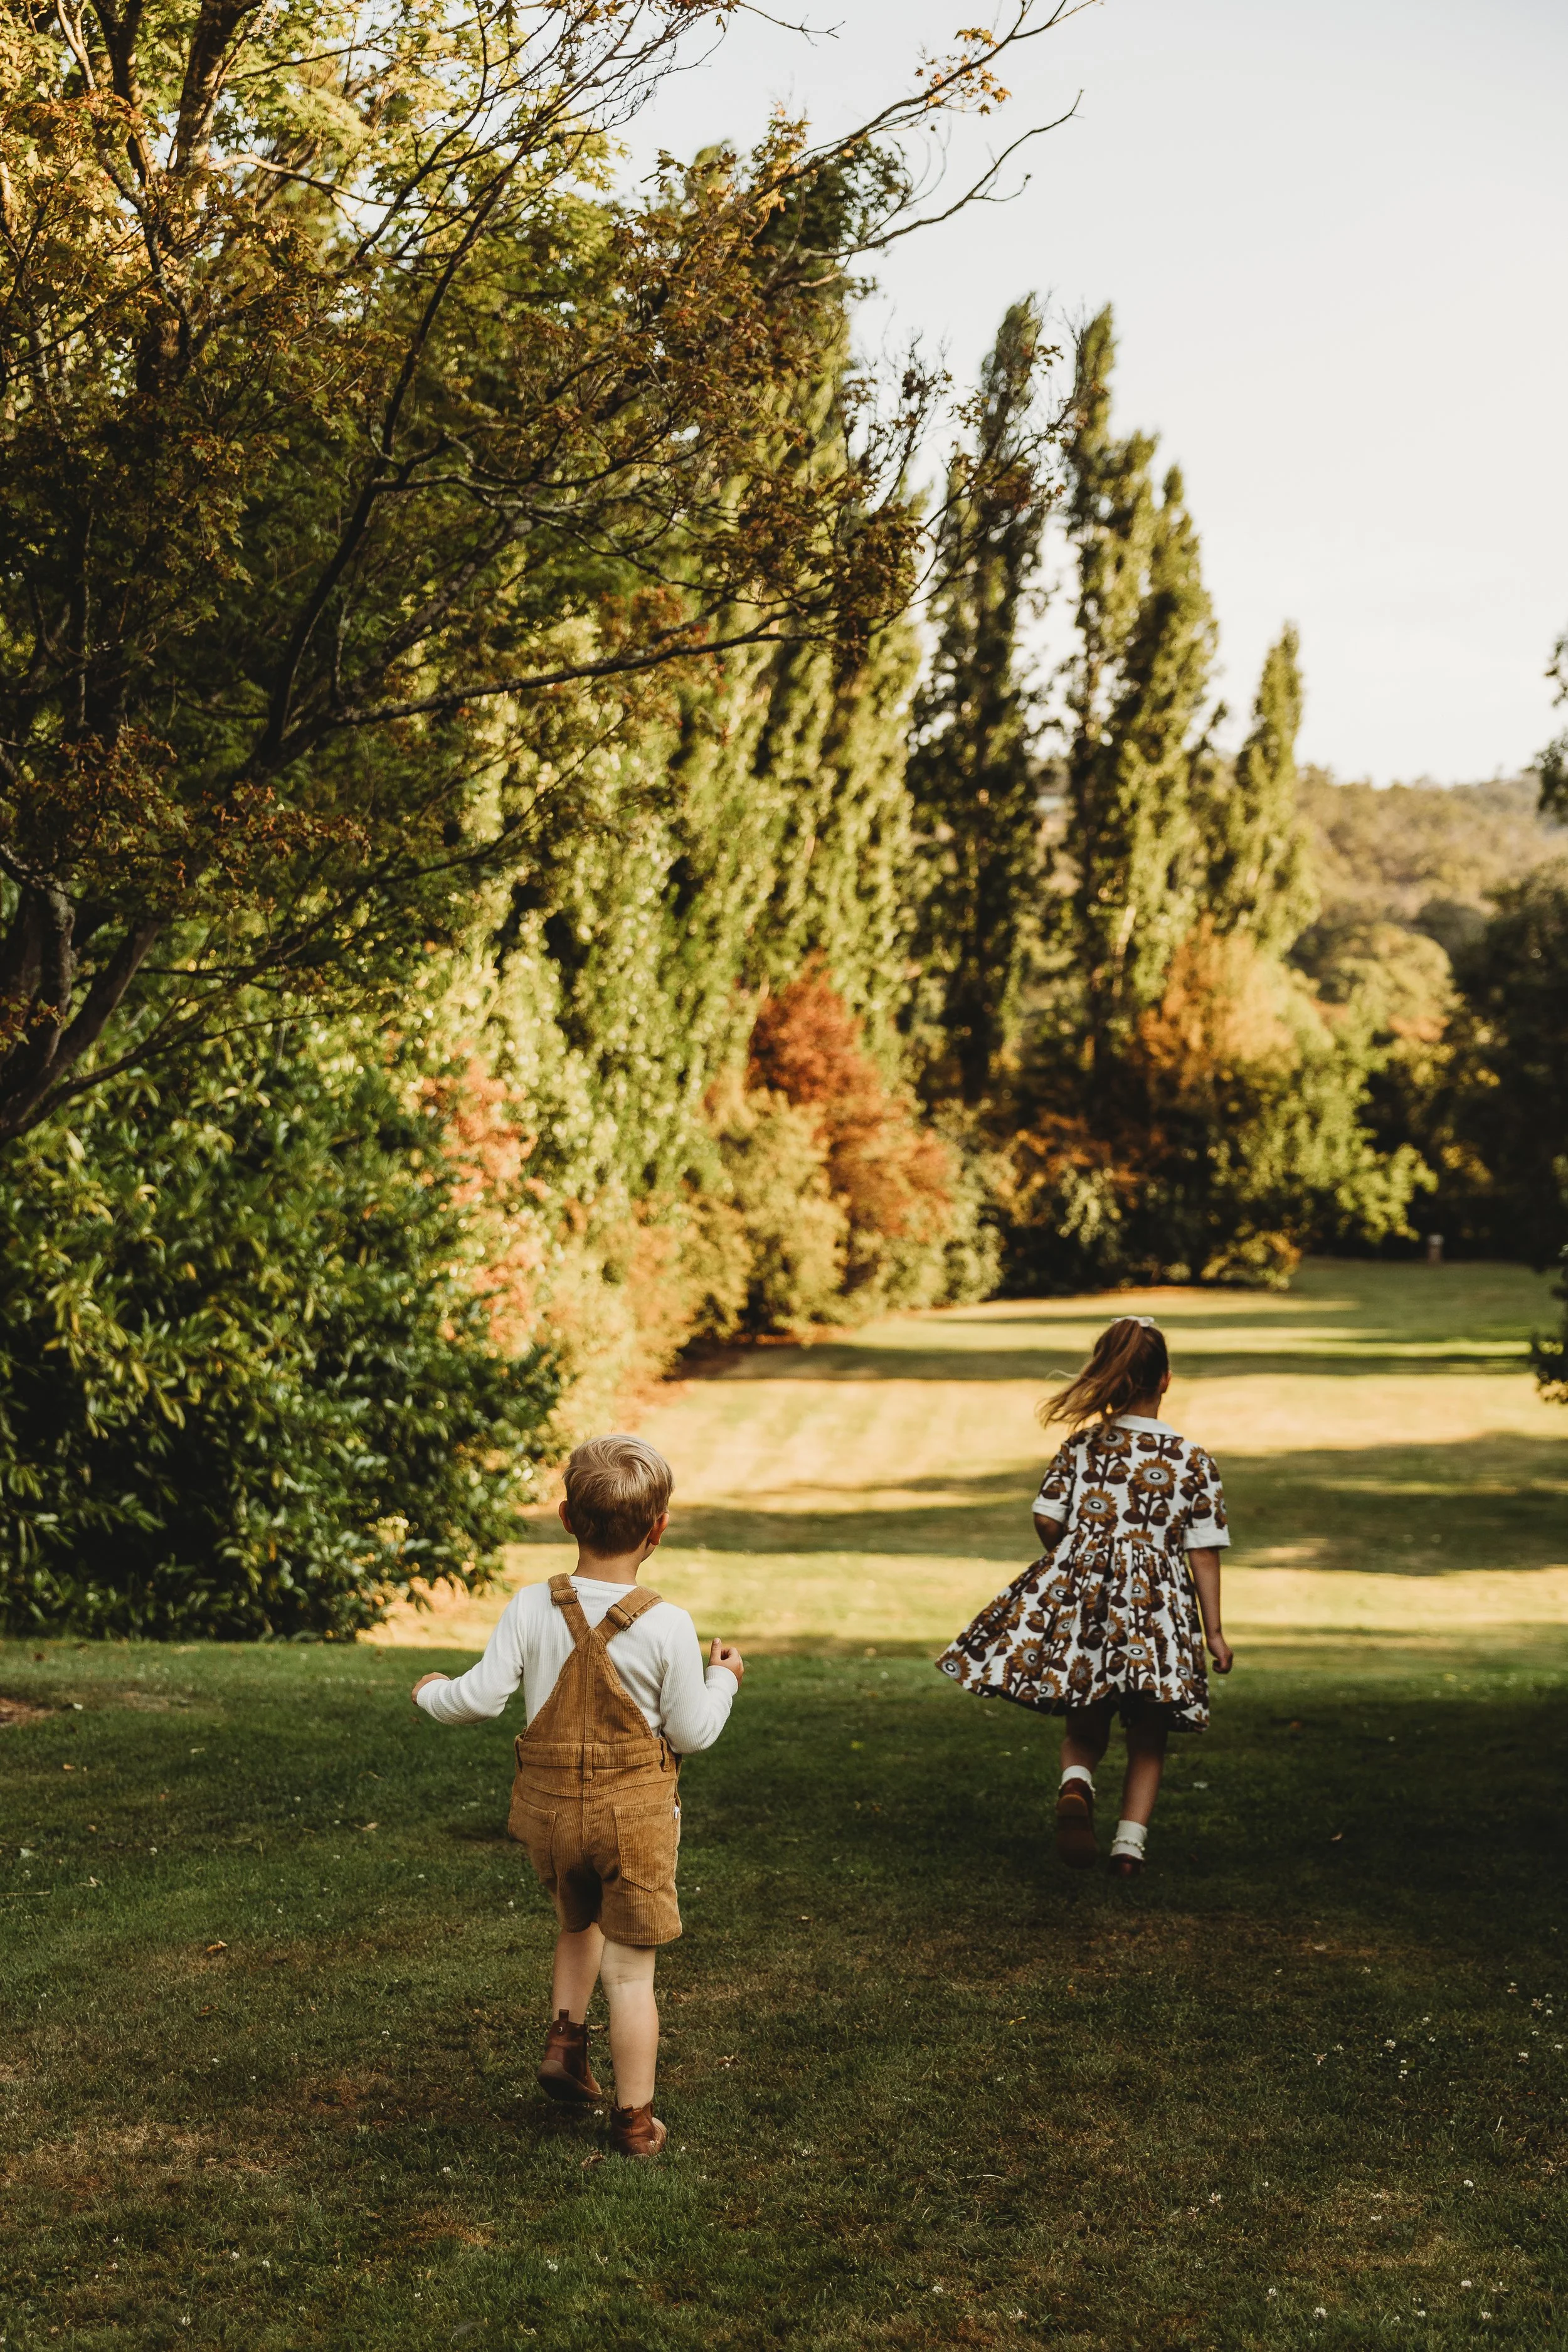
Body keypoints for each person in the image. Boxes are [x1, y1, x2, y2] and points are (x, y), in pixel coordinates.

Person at [411, 1433, 743, 2158]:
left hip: (554, 1816)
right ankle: (633, 2121)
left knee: (576, 1921)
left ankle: (565, 2045)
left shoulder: (533, 1606)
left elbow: (481, 1696)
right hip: (635, 1822)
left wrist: (432, 1694)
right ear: (658, 1531)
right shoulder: (666, 1623)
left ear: (566, 1518)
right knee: (630, 1974)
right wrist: (724, 1679)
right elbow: (693, 1733)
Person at [935, 1316, 1232, 1877]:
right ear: (1166, 1380)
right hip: (1158, 1614)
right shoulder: (1192, 1460)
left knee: (1085, 1720)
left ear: (1108, 1377)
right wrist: (1213, 1631)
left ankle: (1076, 1784)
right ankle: (1128, 1847)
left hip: (1087, 1608)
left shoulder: (1082, 1447)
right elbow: (1204, 1553)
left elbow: (1046, 1518)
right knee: (1149, 1732)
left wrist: (1077, 1553)